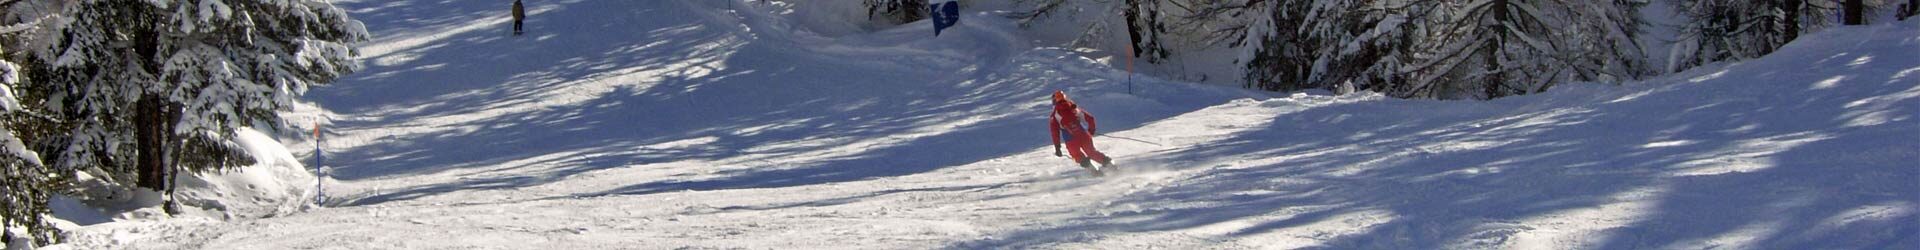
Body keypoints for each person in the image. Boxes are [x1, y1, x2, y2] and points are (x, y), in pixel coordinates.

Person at [1050, 91, 1114, 176]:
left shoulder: (1054, 115)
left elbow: (1054, 132)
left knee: (1077, 156)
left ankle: (1094, 171)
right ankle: (1112, 166)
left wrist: (1057, 147)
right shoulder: (1074, 108)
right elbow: (1090, 118)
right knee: (1092, 153)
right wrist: (1091, 130)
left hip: (1070, 139)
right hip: (1084, 134)